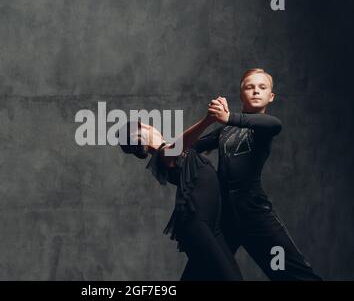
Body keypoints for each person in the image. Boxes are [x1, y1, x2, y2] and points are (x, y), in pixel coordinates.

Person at [197, 68, 322, 280]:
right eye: (250, 87)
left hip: (254, 215)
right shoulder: (226, 130)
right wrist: (156, 143)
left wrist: (228, 117)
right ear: (241, 94)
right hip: (225, 217)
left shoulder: (264, 127)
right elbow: (192, 146)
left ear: (271, 96)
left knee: (289, 271)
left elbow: (274, 124)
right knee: (201, 273)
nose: (256, 91)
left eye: (262, 88)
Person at [117, 111, 243, 281]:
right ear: (142, 131)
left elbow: (213, 137)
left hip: (213, 227)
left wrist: (238, 119)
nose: (153, 126)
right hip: (197, 224)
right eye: (147, 125)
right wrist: (208, 119)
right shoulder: (163, 155)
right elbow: (181, 145)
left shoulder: (179, 150)